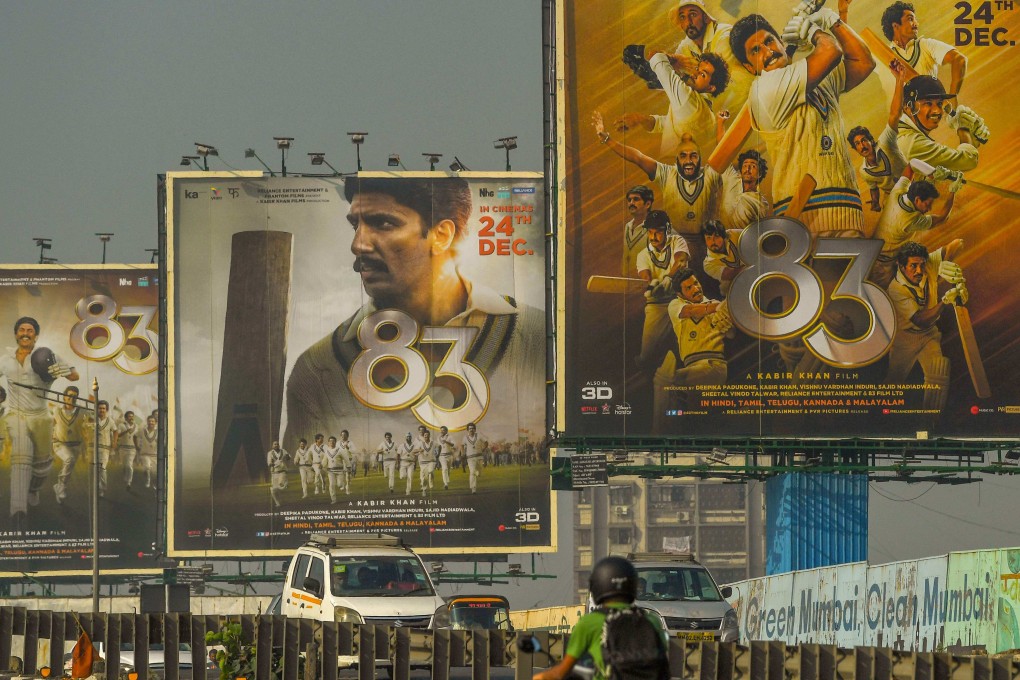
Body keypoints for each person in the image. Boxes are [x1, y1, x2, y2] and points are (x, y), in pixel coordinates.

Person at [284, 177, 545, 454]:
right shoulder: (317, 369)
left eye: (383, 223)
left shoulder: (539, 337)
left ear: (441, 235)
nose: (358, 244)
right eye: (355, 225)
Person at [729, 9, 875, 237]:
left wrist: (833, 21)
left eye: (769, 41)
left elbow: (864, 61)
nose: (767, 51)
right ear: (750, 68)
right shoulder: (764, 88)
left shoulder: (815, 75)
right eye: (755, 51)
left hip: (846, 210)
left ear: (780, 40)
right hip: (803, 217)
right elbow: (831, 50)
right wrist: (813, 29)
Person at [595, 116, 722, 256]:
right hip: (674, 249)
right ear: (677, 159)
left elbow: (725, 149)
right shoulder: (667, 173)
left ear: (700, 158)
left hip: (708, 248)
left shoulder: (710, 174)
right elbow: (638, 157)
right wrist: (607, 140)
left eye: (693, 156)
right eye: (683, 156)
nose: (688, 161)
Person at [531, 556, 665, 680]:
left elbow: (562, 672)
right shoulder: (652, 621)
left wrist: (539, 677)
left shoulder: (590, 622)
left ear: (598, 585)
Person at [0, 317, 79, 524]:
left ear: (36, 334)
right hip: (16, 414)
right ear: (16, 333)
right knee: (21, 455)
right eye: (21, 330)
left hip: (42, 417)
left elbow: (75, 376)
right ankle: (18, 508)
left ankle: (33, 489)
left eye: (30, 330)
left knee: (43, 464)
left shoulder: (47, 355)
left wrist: (60, 371)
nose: (25, 333)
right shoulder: (5, 359)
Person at [885, 239, 966, 411]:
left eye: (922, 264)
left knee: (939, 371)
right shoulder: (895, 289)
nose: (920, 271)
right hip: (905, 338)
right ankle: (879, 419)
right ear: (900, 265)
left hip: (929, 335)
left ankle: (930, 421)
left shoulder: (927, 263)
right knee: (893, 383)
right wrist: (945, 301)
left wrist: (947, 264)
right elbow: (921, 320)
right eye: (913, 266)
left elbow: (956, 244)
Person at [612, 47, 730, 157]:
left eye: (702, 74)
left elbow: (655, 56)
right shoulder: (707, 113)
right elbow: (669, 124)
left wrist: (673, 58)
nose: (694, 74)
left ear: (711, 88)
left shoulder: (688, 98)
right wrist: (640, 119)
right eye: (697, 69)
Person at [654, 269, 731, 432]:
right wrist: (721, 306)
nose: (695, 289)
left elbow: (731, 334)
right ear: (680, 294)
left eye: (695, 283)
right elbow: (690, 311)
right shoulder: (676, 305)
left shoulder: (716, 304)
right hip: (694, 368)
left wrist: (730, 319)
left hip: (713, 366)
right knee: (698, 419)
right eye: (688, 288)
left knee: (671, 382)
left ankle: (660, 433)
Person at [870, 161, 961, 288]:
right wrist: (953, 191)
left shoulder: (898, 192)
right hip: (882, 266)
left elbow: (911, 164)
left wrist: (932, 174)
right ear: (917, 200)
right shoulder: (910, 221)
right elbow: (942, 218)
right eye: (928, 204)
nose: (929, 209)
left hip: (872, 254)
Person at [847, 61, 909, 211]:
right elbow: (873, 187)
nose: (862, 145)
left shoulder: (886, 141)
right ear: (855, 149)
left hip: (913, 185)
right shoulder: (864, 172)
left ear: (871, 140)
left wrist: (900, 79)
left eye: (864, 140)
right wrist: (875, 202)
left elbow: (895, 114)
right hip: (892, 195)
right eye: (858, 144)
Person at [635, 211, 690, 374]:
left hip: (681, 301)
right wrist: (651, 285)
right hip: (656, 307)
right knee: (646, 358)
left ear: (667, 229)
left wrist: (668, 279)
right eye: (650, 232)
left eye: (658, 231)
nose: (653, 236)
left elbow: (681, 260)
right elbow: (645, 276)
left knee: (691, 353)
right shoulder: (642, 255)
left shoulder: (677, 241)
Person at [897, 75, 987, 172]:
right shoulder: (911, 143)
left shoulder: (903, 132)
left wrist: (971, 138)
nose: (937, 111)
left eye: (939, 104)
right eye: (928, 103)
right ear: (908, 108)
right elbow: (968, 160)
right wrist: (963, 129)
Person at [881, 1, 967, 95]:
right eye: (910, 19)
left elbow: (959, 60)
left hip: (930, 108)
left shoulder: (926, 45)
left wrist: (953, 97)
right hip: (899, 109)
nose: (916, 24)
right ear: (895, 26)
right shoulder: (882, 55)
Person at [52, 385, 90, 505]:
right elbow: (50, 424)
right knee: (69, 459)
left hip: (76, 445)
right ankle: (61, 487)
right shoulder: (56, 410)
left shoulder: (83, 411)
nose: (71, 398)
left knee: (69, 467)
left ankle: (59, 486)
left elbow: (91, 422)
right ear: (64, 397)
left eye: (74, 396)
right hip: (60, 443)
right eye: (69, 396)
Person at [720, 148, 770, 229]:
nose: (747, 169)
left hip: (742, 240)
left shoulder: (761, 203)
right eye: (745, 165)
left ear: (759, 174)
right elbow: (723, 151)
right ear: (740, 170)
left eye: (753, 166)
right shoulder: (731, 179)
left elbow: (758, 231)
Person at [701, 220, 743, 299]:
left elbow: (755, 235)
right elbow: (731, 274)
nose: (713, 241)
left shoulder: (733, 234)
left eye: (716, 236)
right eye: (708, 238)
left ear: (723, 236)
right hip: (736, 290)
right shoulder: (708, 264)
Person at [621, 185, 653, 277]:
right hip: (627, 282)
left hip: (646, 283)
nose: (631, 203)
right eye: (629, 200)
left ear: (647, 204)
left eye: (636, 199)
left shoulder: (655, 227)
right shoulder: (628, 226)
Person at [94, 400, 115, 498]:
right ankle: (98, 487)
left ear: (106, 410)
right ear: (97, 409)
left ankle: (102, 489)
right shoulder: (93, 419)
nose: (102, 410)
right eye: (100, 408)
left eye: (103, 408)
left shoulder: (110, 420)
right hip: (94, 448)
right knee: (97, 469)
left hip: (105, 448)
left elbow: (115, 431)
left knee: (102, 468)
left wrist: (114, 442)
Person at [117, 410, 139, 490]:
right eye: (129, 416)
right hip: (123, 448)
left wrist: (137, 447)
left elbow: (136, 437)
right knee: (124, 465)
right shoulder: (121, 425)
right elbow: (118, 435)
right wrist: (126, 431)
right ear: (126, 418)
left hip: (132, 449)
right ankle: (125, 478)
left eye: (132, 416)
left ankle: (129, 482)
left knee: (129, 465)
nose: (131, 418)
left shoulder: (136, 426)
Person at [136, 414, 158, 490]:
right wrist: (137, 446)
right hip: (144, 453)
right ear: (147, 422)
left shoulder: (158, 432)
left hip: (155, 454)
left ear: (155, 423)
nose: (151, 422)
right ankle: (148, 480)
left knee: (154, 471)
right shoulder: (142, 430)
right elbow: (135, 436)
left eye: (153, 421)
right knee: (147, 467)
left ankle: (154, 483)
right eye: (149, 421)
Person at [461, 422, 483, 494]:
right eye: (470, 428)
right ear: (468, 430)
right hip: (470, 457)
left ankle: (477, 472)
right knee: (472, 472)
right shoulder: (465, 438)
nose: (471, 430)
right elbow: (462, 445)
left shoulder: (479, 436)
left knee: (479, 473)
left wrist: (484, 449)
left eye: (473, 428)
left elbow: (486, 442)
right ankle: (473, 488)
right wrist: (463, 452)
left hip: (479, 456)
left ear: (475, 429)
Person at [266, 440, 290, 508]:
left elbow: (288, 458)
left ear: (279, 445)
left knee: (281, 485)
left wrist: (287, 456)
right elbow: (269, 464)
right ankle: (277, 503)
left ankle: (285, 484)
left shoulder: (283, 451)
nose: (276, 445)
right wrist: (275, 463)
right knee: (273, 490)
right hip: (274, 473)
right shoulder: (270, 453)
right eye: (274, 444)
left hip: (282, 471)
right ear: (272, 446)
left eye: (277, 444)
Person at [323, 435, 347, 502]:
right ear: (328, 442)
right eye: (330, 441)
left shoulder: (339, 450)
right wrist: (321, 465)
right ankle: (333, 499)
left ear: (335, 442)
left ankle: (342, 484)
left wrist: (346, 466)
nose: (332, 442)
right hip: (331, 471)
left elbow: (345, 459)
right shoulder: (327, 451)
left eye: (333, 441)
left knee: (339, 484)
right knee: (332, 485)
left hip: (339, 470)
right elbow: (324, 460)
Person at [415, 427, 437, 497]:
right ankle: (424, 489)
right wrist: (419, 450)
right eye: (425, 436)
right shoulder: (419, 441)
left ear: (429, 435)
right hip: (423, 461)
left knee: (430, 471)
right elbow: (413, 451)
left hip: (431, 460)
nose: (426, 437)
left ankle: (431, 483)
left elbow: (439, 446)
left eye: (427, 435)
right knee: (424, 476)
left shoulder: (432, 441)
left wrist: (438, 454)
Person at [399, 431, 417, 496]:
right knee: (403, 476)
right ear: (405, 437)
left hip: (411, 463)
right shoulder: (402, 445)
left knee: (410, 477)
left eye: (409, 437)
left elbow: (416, 455)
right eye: (407, 437)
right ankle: (402, 475)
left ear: (411, 437)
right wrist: (397, 464)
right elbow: (398, 454)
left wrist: (415, 463)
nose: (408, 438)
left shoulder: (414, 445)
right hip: (403, 462)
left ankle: (408, 491)